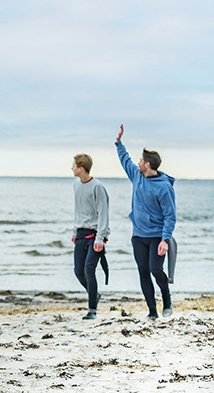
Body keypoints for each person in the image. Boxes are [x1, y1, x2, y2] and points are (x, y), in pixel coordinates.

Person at [115, 125, 176, 319]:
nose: (138, 163)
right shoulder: (137, 176)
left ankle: (167, 299)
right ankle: (152, 311)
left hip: (157, 236)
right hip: (138, 236)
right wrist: (118, 143)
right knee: (143, 271)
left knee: (156, 270)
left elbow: (170, 215)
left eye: (141, 161)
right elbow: (125, 160)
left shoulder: (164, 187)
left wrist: (165, 239)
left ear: (147, 165)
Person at [71, 153, 109, 319]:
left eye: (73, 165)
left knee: (89, 269)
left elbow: (103, 213)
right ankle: (94, 294)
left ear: (81, 168)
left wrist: (100, 238)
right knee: (78, 271)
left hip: (95, 235)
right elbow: (77, 210)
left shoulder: (97, 187)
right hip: (80, 233)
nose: (71, 168)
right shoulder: (75, 185)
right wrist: (74, 231)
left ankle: (92, 310)